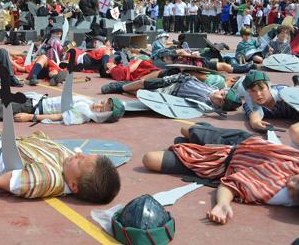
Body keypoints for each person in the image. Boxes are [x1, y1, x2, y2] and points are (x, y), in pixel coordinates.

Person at [142, 123, 299, 225]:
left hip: (220, 161)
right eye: (297, 181)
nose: (291, 183)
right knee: (186, 130)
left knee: (150, 159)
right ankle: (197, 134)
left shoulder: (276, 192)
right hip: (243, 141)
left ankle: (190, 143)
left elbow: (231, 184)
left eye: (295, 190)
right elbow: (294, 129)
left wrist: (223, 204)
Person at [101, 72, 242, 113]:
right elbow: (197, 77)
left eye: (222, 101)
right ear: (223, 90)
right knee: (144, 83)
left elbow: (214, 111)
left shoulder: (207, 105)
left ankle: (124, 88)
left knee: (140, 92)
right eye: (222, 95)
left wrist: (219, 110)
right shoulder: (215, 86)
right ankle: (119, 87)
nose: (219, 97)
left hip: (172, 93)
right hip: (176, 80)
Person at [239, 70, 299, 145]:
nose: (258, 94)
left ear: (268, 87)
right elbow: (254, 117)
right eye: (252, 91)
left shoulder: (283, 94)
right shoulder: (250, 103)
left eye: (261, 89)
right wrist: (256, 123)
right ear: (248, 93)